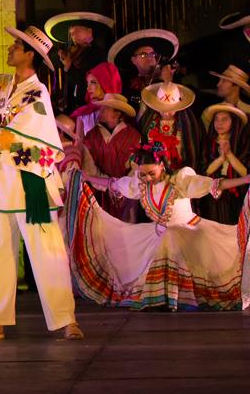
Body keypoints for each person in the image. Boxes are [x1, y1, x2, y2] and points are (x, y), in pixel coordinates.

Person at [0, 24, 82, 341]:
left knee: (46, 252)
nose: (10, 49)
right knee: (0, 252)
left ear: (29, 55)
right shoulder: (0, 85)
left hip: (30, 181)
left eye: (16, 46)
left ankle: (66, 319)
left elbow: (14, 140)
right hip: (2, 183)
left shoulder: (37, 96)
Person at [70, 141, 250, 310]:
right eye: (143, 174)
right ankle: (162, 298)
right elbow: (115, 184)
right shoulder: (140, 185)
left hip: (189, 231)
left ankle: (178, 297)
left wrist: (245, 180)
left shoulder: (179, 180)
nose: (147, 178)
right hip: (160, 234)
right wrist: (88, 177)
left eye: (151, 173)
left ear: (162, 166)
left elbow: (213, 184)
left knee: (171, 238)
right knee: (159, 239)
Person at [74, 93, 142, 222]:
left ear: (117, 114)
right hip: (99, 195)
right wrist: (107, 185)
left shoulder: (133, 137)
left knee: (125, 228)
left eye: (106, 109)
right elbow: (89, 168)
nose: (101, 111)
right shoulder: (92, 136)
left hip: (126, 195)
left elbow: (136, 169)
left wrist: (122, 187)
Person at [43, 12, 113, 114]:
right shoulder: (78, 53)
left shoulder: (96, 52)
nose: (73, 36)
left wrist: (69, 65)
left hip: (90, 106)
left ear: (89, 30)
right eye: (71, 33)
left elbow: (87, 81)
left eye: (76, 31)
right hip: (76, 106)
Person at [198, 102, 249, 225]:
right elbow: (204, 171)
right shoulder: (208, 142)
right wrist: (221, 159)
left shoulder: (241, 142)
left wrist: (229, 154)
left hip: (236, 196)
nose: (219, 123)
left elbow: (246, 174)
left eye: (224, 119)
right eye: (216, 119)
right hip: (212, 198)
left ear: (233, 121)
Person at [110, 28, 179, 114]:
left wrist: (166, 82)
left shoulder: (168, 77)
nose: (150, 58)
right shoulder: (129, 85)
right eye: (143, 55)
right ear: (134, 60)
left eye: (152, 54)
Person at [137, 81, 201, 171]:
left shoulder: (188, 123)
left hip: (181, 173)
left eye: (171, 109)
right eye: (162, 108)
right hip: (153, 172)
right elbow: (142, 144)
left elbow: (192, 152)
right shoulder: (148, 120)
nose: (166, 112)